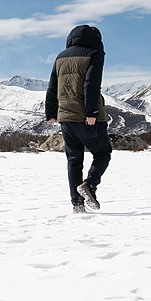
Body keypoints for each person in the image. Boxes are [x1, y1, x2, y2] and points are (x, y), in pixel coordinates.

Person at [45, 25, 112, 213]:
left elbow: (52, 85)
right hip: (87, 116)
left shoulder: (60, 56)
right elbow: (92, 84)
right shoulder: (95, 54)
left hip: (65, 116)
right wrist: (91, 112)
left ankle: (77, 204)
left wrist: (50, 112)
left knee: (74, 159)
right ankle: (89, 185)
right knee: (102, 153)